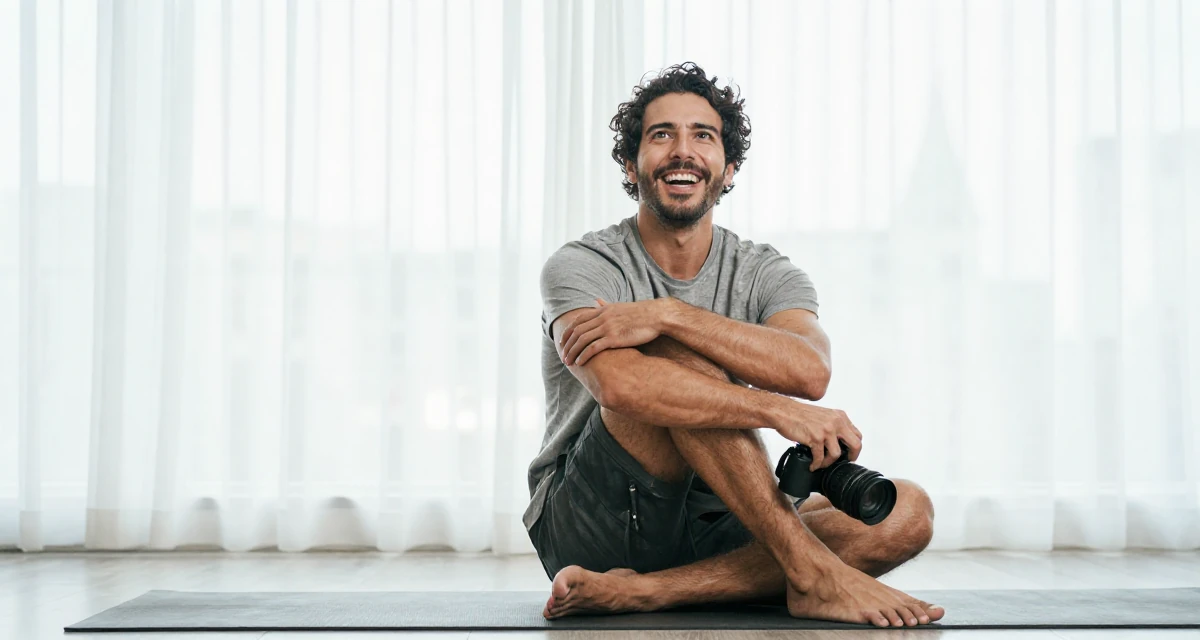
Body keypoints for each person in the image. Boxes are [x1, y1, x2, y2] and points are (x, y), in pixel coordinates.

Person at [523, 62, 944, 628]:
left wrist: (668, 314)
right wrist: (775, 410)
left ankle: (652, 592)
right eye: (661, 135)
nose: (682, 150)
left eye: (703, 135)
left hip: (726, 514)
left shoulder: (766, 271)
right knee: (675, 365)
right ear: (631, 163)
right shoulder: (582, 266)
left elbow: (809, 371)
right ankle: (810, 573)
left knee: (907, 512)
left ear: (728, 166)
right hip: (596, 517)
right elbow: (622, 385)